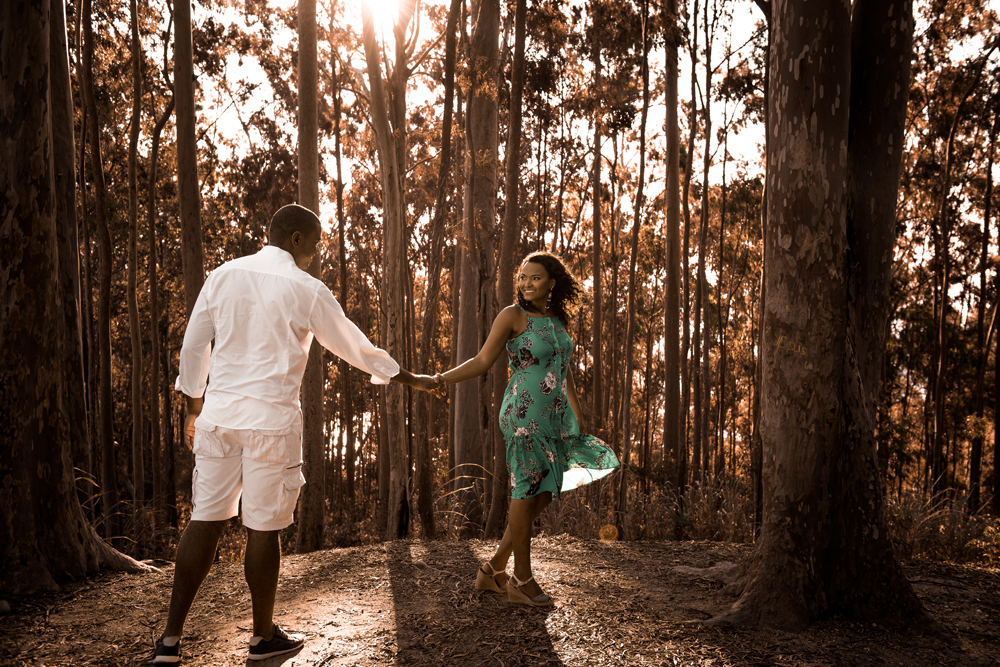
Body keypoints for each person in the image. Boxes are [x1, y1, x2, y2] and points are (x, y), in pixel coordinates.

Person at [153, 204, 436, 664]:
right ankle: (263, 638)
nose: (316, 256)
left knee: (205, 519)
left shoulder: (223, 275)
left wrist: (193, 407)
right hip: (271, 424)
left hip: (219, 420)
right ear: (298, 239)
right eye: (316, 245)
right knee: (263, 528)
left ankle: (169, 641)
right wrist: (408, 377)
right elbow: (354, 346)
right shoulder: (306, 288)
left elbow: (193, 344)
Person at [433, 251, 619, 606]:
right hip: (524, 412)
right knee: (527, 486)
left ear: (551, 283)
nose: (526, 283)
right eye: (522, 277)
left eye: (535, 277)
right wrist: (441, 379)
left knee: (547, 489)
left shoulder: (557, 319)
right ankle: (521, 579)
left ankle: (493, 570)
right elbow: (483, 360)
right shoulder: (512, 315)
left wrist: (578, 417)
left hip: (556, 417)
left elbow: (565, 372)